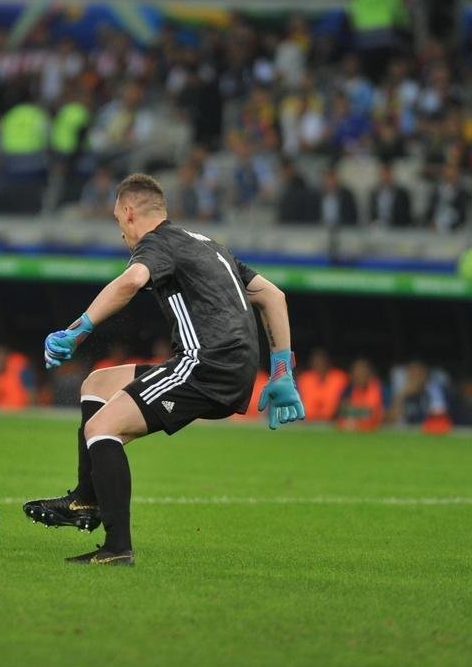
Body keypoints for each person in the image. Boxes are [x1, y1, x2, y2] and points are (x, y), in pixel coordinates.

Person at [23, 173, 305, 566]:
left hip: (205, 365)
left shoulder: (157, 244)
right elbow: (273, 296)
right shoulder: (209, 245)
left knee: (101, 429)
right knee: (98, 384)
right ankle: (86, 500)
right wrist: (281, 372)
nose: (122, 233)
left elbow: (131, 281)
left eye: (118, 222)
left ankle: (116, 548)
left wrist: (80, 329)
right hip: (223, 364)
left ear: (129, 211)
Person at [296, 348, 348, 421]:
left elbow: (346, 399)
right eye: (316, 361)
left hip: (333, 420)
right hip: (307, 421)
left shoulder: (339, 378)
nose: (319, 364)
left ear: (328, 362)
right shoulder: (304, 378)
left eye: (322, 361)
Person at [334, 358, 384, 432]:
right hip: (352, 431)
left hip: (373, 432)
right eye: (358, 371)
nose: (361, 374)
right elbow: (341, 412)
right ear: (352, 374)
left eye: (363, 371)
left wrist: (354, 412)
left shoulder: (378, 389)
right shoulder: (347, 391)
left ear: (369, 374)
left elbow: (376, 413)